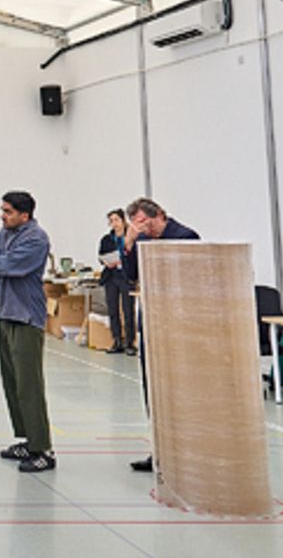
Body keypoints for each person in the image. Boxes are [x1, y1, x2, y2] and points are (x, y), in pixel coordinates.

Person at [123, 196, 200, 473]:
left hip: (177, 322)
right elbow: (130, 276)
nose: (144, 229)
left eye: (145, 223)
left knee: (178, 387)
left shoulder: (185, 236)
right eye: (137, 225)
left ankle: (185, 450)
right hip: (152, 320)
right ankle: (159, 450)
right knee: (152, 386)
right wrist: (129, 243)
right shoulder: (141, 240)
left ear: (160, 215)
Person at [0, 191, 55, 473]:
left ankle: (43, 449)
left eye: (8, 211)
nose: (3, 215)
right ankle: (26, 439)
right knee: (12, 383)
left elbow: (6, 265)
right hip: (5, 314)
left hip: (25, 317)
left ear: (25, 215)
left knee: (29, 385)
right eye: (2, 210)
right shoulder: (5, 232)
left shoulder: (36, 238)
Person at [98, 208, 134, 354]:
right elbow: (101, 255)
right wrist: (106, 262)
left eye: (116, 220)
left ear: (123, 220)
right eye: (111, 221)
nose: (114, 224)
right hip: (111, 276)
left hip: (125, 276)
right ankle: (117, 340)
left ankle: (129, 343)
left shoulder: (131, 237)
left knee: (128, 310)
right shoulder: (107, 239)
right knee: (113, 309)